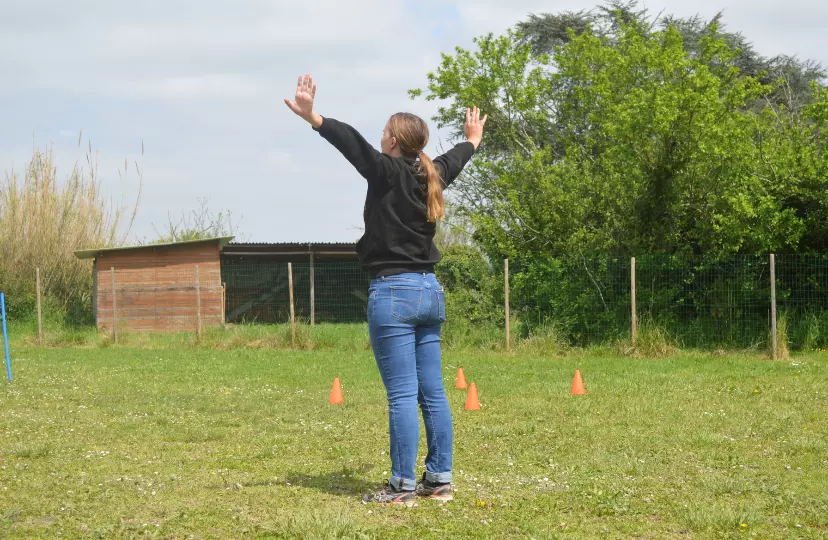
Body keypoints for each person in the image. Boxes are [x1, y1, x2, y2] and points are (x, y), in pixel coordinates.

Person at [285, 74, 487, 506]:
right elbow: (455, 157)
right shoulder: (431, 174)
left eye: (384, 132)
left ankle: (402, 487)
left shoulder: (387, 171)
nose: (379, 138)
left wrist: (313, 117)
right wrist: (473, 139)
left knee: (401, 394)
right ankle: (440, 480)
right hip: (430, 291)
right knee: (431, 391)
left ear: (394, 140)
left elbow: (351, 143)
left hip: (393, 293)